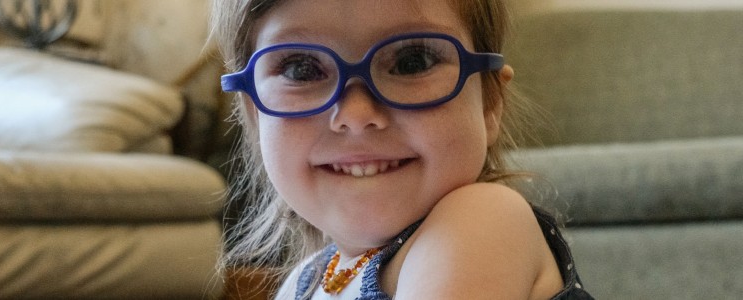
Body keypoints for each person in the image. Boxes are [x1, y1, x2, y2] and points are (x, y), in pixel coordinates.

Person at [212, 0, 594, 299]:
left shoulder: (482, 221)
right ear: (254, 113)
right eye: (301, 70)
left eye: (412, 62)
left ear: (490, 102)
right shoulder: (305, 281)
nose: (357, 115)